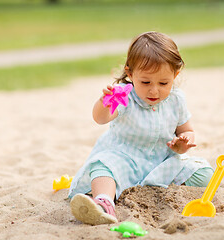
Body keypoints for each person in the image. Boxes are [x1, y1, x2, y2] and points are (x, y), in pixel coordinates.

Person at [68, 31, 214, 225]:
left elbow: (186, 130)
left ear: (175, 75)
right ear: (130, 73)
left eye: (163, 83)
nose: (154, 90)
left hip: (161, 160)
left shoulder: (176, 99)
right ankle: (104, 202)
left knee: (204, 173)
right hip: (124, 159)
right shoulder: (123, 95)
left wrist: (184, 143)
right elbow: (100, 118)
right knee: (102, 167)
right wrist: (104, 102)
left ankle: (158, 187)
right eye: (145, 82)